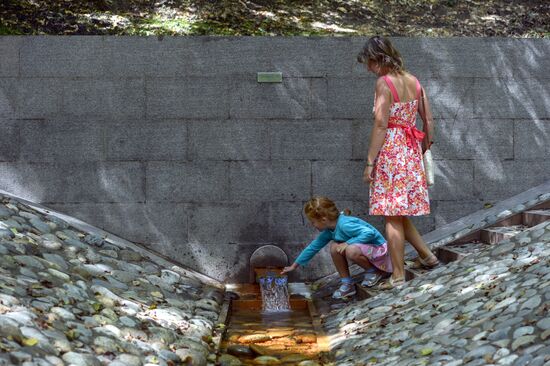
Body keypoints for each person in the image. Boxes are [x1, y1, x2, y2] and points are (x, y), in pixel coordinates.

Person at [358, 36, 439, 289]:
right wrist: (424, 148)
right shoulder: (414, 81)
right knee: (399, 211)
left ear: (378, 59)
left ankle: (398, 276)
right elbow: (428, 120)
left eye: (369, 63)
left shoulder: (384, 83)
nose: (369, 68)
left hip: (392, 151)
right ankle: (427, 256)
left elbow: (381, 124)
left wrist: (370, 162)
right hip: (411, 148)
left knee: (391, 215)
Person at [281, 197, 392, 299]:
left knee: (350, 250)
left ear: (323, 220)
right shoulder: (329, 230)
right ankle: (347, 283)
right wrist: (294, 265)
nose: (312, 225)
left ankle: (374, 272)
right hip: (368, 252)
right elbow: (312, 247)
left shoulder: (344, 224)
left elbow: (369, 233)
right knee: (334, 246)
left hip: (380, 252)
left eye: (313, 222)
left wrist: (348, 243)